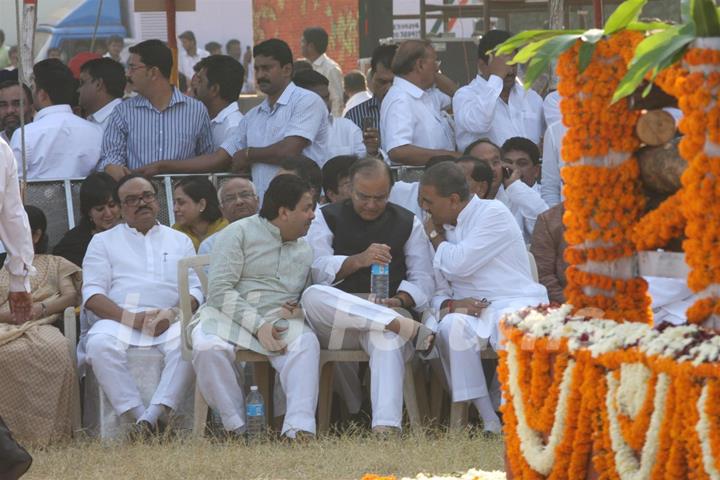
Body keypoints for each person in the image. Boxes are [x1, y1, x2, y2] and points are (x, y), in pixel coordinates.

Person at [302, 158, 435, 432]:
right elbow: (315, 269)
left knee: (385, 336)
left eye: (380, 197)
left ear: (391, 191)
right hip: (339, 316)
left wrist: (399, 301)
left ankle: (385, 428)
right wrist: (357, 260)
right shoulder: (326, 216)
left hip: (389, 307)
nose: (372, 205)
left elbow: (424, 280)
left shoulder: (408, 222)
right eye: (364, 197)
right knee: (313, 294)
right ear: (350, 188)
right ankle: (354, 409)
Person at [418, 162, 548, 433]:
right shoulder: (438, 227)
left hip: (513, 299)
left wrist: (435, 237)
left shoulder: (493, 213)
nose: (425, 209)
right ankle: (488, 418)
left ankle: (514, 416)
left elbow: (459, 264)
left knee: (512, 324)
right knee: (451, 327)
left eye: (429, 202)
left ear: (453, 200)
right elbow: (438, 288)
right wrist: (452, 305)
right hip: (468, 309)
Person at [190, 174, 320, 439]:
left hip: (278, 319)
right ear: (284, 212)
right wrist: (257, 325)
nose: (313, 216)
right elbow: (219, 290)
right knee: (207, 347)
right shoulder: (238, 233)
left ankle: (298, 431)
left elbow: (300, 293)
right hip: (227, 313)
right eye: (307, 208)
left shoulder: (305, 249)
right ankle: (236, 429)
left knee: (306, 343)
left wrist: (295, 309)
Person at [135, 39, 328, 203]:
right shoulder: (253, 116)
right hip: (265, 212)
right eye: (257, 68)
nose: (260, 75)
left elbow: (288, 151)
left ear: (287, 70)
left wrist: (248, 154)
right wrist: (162, 166)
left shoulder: (307, 101)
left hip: (302, 208)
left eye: (267, 68)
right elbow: (217, 159)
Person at [83, 174, 203, 435]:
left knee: (190, 343)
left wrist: (171, 314)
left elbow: (195, 288)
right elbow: (92, 295)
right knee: (99, 345)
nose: (142, 203)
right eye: (132, 199)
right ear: (121, 207)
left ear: (157, 201)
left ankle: (154, 415)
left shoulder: (179, 240)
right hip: (120, 320)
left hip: (169, 318)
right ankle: (140, 417)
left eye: (147, 196)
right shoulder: (102, 242)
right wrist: (133, 320)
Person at [0, 205, 81, 445]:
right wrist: (9, 316)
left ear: (35, 235)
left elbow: (70, 296)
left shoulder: (56, 263)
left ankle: (48, 434)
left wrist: (40, 309)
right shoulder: (2, 268)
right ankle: (10, 440)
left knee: (56, 349)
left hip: (42, 324)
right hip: (6, 325)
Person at [98, 39, 213, 179]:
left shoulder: (196, 110)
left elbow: (207, 159)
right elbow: (111, 156)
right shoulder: (123, 111)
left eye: (133, 68)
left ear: (153, 72)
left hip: (183, 197)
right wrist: (115, 170)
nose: (128, 74)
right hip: (138, 197)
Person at [453, 30, 544, 151]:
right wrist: (497, 77)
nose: (510, 72)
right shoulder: (465, 96)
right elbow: (479, 123)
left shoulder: (531, 97)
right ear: (482, 65)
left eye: (513, 64)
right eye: (504, 65)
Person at [9, 59, 102, 179]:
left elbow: (15, 184)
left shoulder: (24, 134)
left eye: (33, 88)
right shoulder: (96, 131)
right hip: (85, 197)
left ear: (42, 95)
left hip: (38, 198)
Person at [380, 40, 458, 166]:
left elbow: (457, 96)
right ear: (420, 65)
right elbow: (398, 150)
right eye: (435, 62)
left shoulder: (426, 94)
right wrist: (451, 156)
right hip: (416, 184)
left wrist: (433, 75)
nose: (437, 67)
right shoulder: (400, 99)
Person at [464, 138, 547, 244]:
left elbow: (545, 225)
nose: (491, 168)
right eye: (483, 163)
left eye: (495, 162)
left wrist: (514, 186)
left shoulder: (516, 196)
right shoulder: (458, 200)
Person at [293, 69, 366, 159]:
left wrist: (372, 152)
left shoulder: (347, 129)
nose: (325, 104)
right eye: (317, 99)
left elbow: (365, 162)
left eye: (326, 97)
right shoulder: (286, 135)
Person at [53, 172, 120, 267]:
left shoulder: (133, 233)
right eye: (100, 209)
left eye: (112, 205)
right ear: (88, 212)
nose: (108, 213)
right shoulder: (72, 245)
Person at [497, 137, 548, 243]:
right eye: (508, 163)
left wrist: (515, 187)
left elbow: (544, 228)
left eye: (522, 163)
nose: (514, 169)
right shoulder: (495, 194)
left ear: (536, 171)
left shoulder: (547, 195)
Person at [191, 55, 244, 149]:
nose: (194, 85)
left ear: (214, 89)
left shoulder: (233, 127)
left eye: (200, 81)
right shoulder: (206, 118)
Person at [198, 177, 259, 255]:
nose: (239, 202)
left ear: (257, 201)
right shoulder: (210, 245)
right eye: (230, 198)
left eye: (245, 195)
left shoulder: (274, 235)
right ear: (221, 210)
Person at [344, 44, 397, 129]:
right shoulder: (354, 117)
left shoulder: (419, 112)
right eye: (382, 82)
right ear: (372, 77)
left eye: (394, 83)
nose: (388, 88)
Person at [172, 176, 228, 251]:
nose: (175, 209)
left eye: (181, 203)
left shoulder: (227, 231)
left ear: (202, 204)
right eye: (174, 203)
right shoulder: (174, 234)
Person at [302, 27, 344, 117]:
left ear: (311, 46)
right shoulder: (303, 66)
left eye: (303, 42)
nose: (300, 45)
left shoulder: (331, 69)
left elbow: (337, 100)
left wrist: (334, 126)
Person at [530, 203, 566, 304]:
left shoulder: (613, 214)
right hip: (569, 307)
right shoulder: (550, 220)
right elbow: (544, 276)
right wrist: (575, 306)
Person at [77, 57, 126, 131]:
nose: (78, 90)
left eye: (82, 83)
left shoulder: (123, 122)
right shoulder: (95, 118)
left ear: (98, 84)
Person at [541, 120, 567, 207]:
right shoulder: (555, 131)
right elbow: (550, 188)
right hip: (570, 217)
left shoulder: (610, 128)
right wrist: (556, 219)